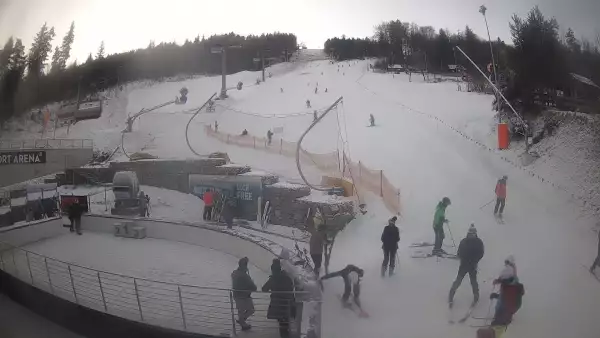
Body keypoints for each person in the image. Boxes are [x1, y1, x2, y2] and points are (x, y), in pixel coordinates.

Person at [448, 224, 484, 307]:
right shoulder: (464, 241)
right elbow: (459, 253)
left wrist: (475, 260)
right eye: (471, 233)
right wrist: (462, 258)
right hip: (464, 265)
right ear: (468, 233)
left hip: (472, 266)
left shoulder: (478, 242)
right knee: (458, 280)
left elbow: (481, 253)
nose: (472, 235)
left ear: (475, 234)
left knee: (473, 281)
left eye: (473, 233)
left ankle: (476, 295)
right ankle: (451, 294)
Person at [262, 259, 295, 338]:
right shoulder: (287, 277)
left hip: (277, 303)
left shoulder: (273, 279)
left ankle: (284, 335)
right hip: (286, 302)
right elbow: (291, 288)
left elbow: (264, 289)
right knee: (285, 321)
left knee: (281, 322)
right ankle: (286, 333)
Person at [490, 255, 524, 327]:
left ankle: (502, 321)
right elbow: (504, 279)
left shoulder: (510, 273)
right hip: (509, 298)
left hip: (510, 306)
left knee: (501, 307)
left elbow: (510, 303)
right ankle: (499, 318)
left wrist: (500, 321)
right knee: (500, 306)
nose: (506, 263)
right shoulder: (508, 275)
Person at [231, 257, 257, 331]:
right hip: (245, 296)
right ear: (245, 266)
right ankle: (242, 322)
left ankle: (242, 321)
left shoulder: (234, 273)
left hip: (236, 296)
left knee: (241, 311)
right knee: (251, 310)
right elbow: (254, 287)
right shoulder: (245, 276)